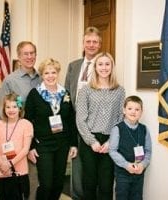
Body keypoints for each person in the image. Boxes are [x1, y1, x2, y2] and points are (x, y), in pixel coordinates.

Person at [24, 58, 78, 200]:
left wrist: (73, 144)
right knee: (46, 184)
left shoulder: (65, 93)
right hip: (43, 145)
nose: (50, 76)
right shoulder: (34, 94)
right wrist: (30, 147)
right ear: (41, 75)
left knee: (58, 183)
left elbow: (71, 120)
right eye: (46, 73)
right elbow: (27, 122)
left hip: (62, 144)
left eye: (53, 72)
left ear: (58, 73)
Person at [76, 52, 125, 200]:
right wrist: (92, 141)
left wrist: (111, 142)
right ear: (95, 67)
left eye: (107, 64)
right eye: (100, 64)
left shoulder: (119, 91)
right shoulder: (86, 90)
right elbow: (80, 119)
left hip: (110, 141)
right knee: (89, 182)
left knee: (106, 183)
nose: (104, 68)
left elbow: (120, 118)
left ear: (112, 67)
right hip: (89, 139)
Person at [64, 26, 102, 200]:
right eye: (88, 41)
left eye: (95, 42)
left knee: (94, 165)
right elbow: (66, 93)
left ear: (100, 44)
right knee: (76, 161)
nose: (91, 45)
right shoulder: (73, 65)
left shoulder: (103, 65)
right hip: (75, 120)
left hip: (95, 123)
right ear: (83, 43)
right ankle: (77, 196)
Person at [0, 93, 33, 200]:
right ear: (4, 108)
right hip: (1, 172)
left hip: (19, 172)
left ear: (20, 108)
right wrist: (2, 164)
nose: (11, 110)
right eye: (8, 107)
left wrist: (9, 164)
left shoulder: (26, 124)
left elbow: (25, 149)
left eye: (14, 106)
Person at [109, 96, 152, 200]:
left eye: (137, 109)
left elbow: (148, 151)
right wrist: (127, 165)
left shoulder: (144, 129)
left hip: (139, 173)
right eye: (130, 109)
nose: (133, 112)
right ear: (124, 110)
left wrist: (142, 165)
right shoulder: (117, 129)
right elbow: (112, 151)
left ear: (141, 112)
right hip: (123, 174)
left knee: (137, 197)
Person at [0, 41, 40, 119]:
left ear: (36, 55)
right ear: (19, 57)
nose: (29, 57)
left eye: (32, 53)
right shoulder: (10, 81)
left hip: (40, 128)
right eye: (26, 54)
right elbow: (1, 111)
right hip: (18, 128)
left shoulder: (43, 79)